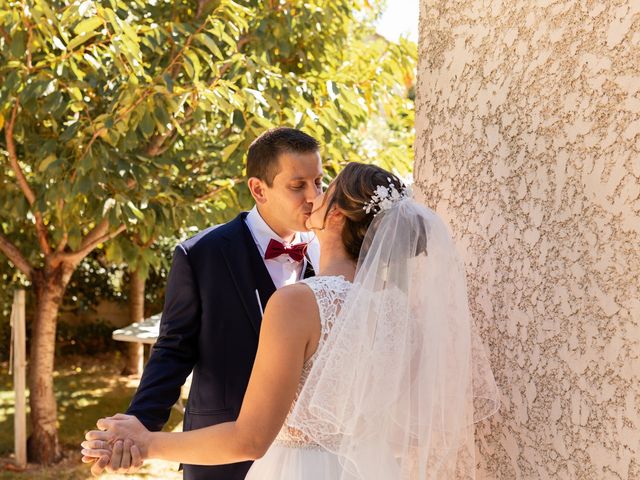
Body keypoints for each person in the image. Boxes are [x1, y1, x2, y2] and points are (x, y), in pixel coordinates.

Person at [82, 162, 500, 479]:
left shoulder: (297, 304)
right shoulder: (403, 315)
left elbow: (250, 440)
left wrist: (147, 443)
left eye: (324, 190)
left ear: (335, 216)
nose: (312, 198)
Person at [82, 127, 323, 479]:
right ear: (258, 189)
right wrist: (139, 426)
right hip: (220, 456)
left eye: (318, 182)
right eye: (297, 185)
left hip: (308, 456)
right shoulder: (201, 254)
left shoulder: (330, 250)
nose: (313, 196)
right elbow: (174, 349)